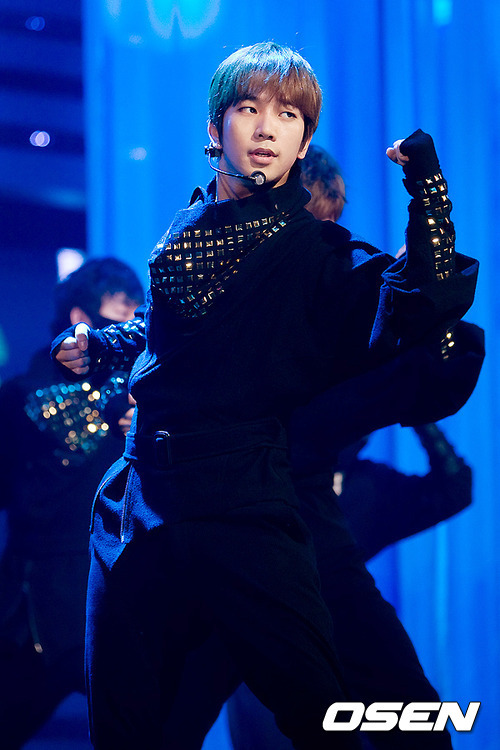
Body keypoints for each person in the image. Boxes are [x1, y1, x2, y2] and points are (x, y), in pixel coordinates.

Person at [52, 42, 477, 749]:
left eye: (287, 115)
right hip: (139, 501)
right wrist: (102, 345)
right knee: (129, 729)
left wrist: (427, 190)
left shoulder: (317, 252)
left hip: (247, 501)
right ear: (215, 127)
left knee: (334, 714)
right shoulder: (183, 231)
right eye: (249, 108)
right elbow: (168, 333)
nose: (266, 126)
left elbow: (422, 300)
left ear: (303, 142)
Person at [0, 258, 143, 750]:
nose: (132, 319)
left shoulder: (140, 390)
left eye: (137, 308)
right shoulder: (23, 396)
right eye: (121, 306)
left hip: (115, 588)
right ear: (81, 318)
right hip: (38, 602)